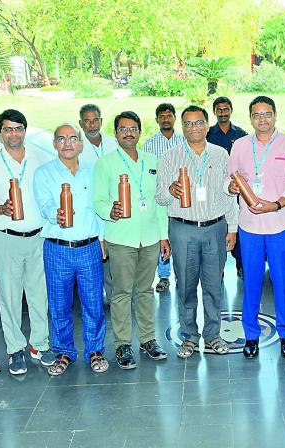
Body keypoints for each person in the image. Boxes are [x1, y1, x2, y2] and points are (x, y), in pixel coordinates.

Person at [156, 105, 238, 358]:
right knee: (186, 286)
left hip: (215, 228)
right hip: (183, 229)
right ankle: (190, 336)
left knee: (214, 286)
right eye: (189, 124)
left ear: (206, 125)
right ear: (182, 128)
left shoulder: (221, 154)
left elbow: (230, 196)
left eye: (199, 122)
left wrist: (232, 228)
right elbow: (159, 197)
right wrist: (170, 190)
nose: (194, 128)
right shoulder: (170, 157)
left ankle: (213, 335)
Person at [226, 96, 285, 359]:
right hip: (249, 226)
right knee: (251, 282)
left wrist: (276, 205)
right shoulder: (239, 145)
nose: (262, 119)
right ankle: (251, 336)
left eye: (267, 114)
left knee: (282, 282)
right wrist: (231, 186)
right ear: (250, 118)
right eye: (257, 115)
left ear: (275, 115)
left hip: (280, 223)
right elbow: (229, 178)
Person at [93, 111, 170, 369]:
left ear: (139, 131)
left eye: (133, 128)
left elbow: (159, 203)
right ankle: (123, 344)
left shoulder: (152, 160)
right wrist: (109, 212)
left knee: (146, 291)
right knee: (122, 293)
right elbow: (98, 200)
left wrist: (163, 237)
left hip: (149, 238)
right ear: (116, 133)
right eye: (123, 129)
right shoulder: (106, 164)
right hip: (121, 238)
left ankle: (148, 340)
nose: (129, 133)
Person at [34, 124, 108, 375]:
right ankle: (64, 351)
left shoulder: (92, 171)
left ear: (80, 144)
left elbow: (99, 208)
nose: (67, 143)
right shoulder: (43, 173)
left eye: (72, 138)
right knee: (59, 304)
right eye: (61, 139)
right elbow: (44, 205)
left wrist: (103, 240)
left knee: (93, 303)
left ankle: (95, 350)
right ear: (54, 144)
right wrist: (55, 215)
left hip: (89, 247)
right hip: (58, 249)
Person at [0, 109, 54, 375]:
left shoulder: (42, 158)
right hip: (6, 238)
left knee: (40, 294)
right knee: (10, 296)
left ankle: (40, 344)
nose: (13, 133)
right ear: (0, 132)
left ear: (25, 130)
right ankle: (15, 349)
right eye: (7, 129)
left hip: (38, 236)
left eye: (17, 128)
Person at [143, 103, 186, 293]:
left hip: (181, 196)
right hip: (159, 196)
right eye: (162, 116)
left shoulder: (184, 140)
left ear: (175, 118)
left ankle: (181, 275)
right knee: (163, 235)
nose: (166, 119)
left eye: (169, 115)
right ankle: (164, 276)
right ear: (156, 120)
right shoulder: (150, 144)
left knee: (180, 237)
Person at [78, 104, 118, 302]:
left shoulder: (114, 143)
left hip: (114, 209)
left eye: (95, 120)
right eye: (87, 120)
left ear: (101, 121)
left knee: (113, 258)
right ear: (80, 123)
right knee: (95, 258)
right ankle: (94, 302)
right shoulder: (76, 147)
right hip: (89, 211)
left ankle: (115, 300)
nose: (92, 124)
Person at [207, 97, 248, 277]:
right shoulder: (208, 134)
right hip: (213, 188)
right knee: (218, 227)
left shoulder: (241, 134)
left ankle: (241, 264)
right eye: (219, 110)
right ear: (214, 112)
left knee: (238, 225)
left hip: (236, 188)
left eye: (226, 109)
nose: (223, 113)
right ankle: (219, 269)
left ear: (231, 110)